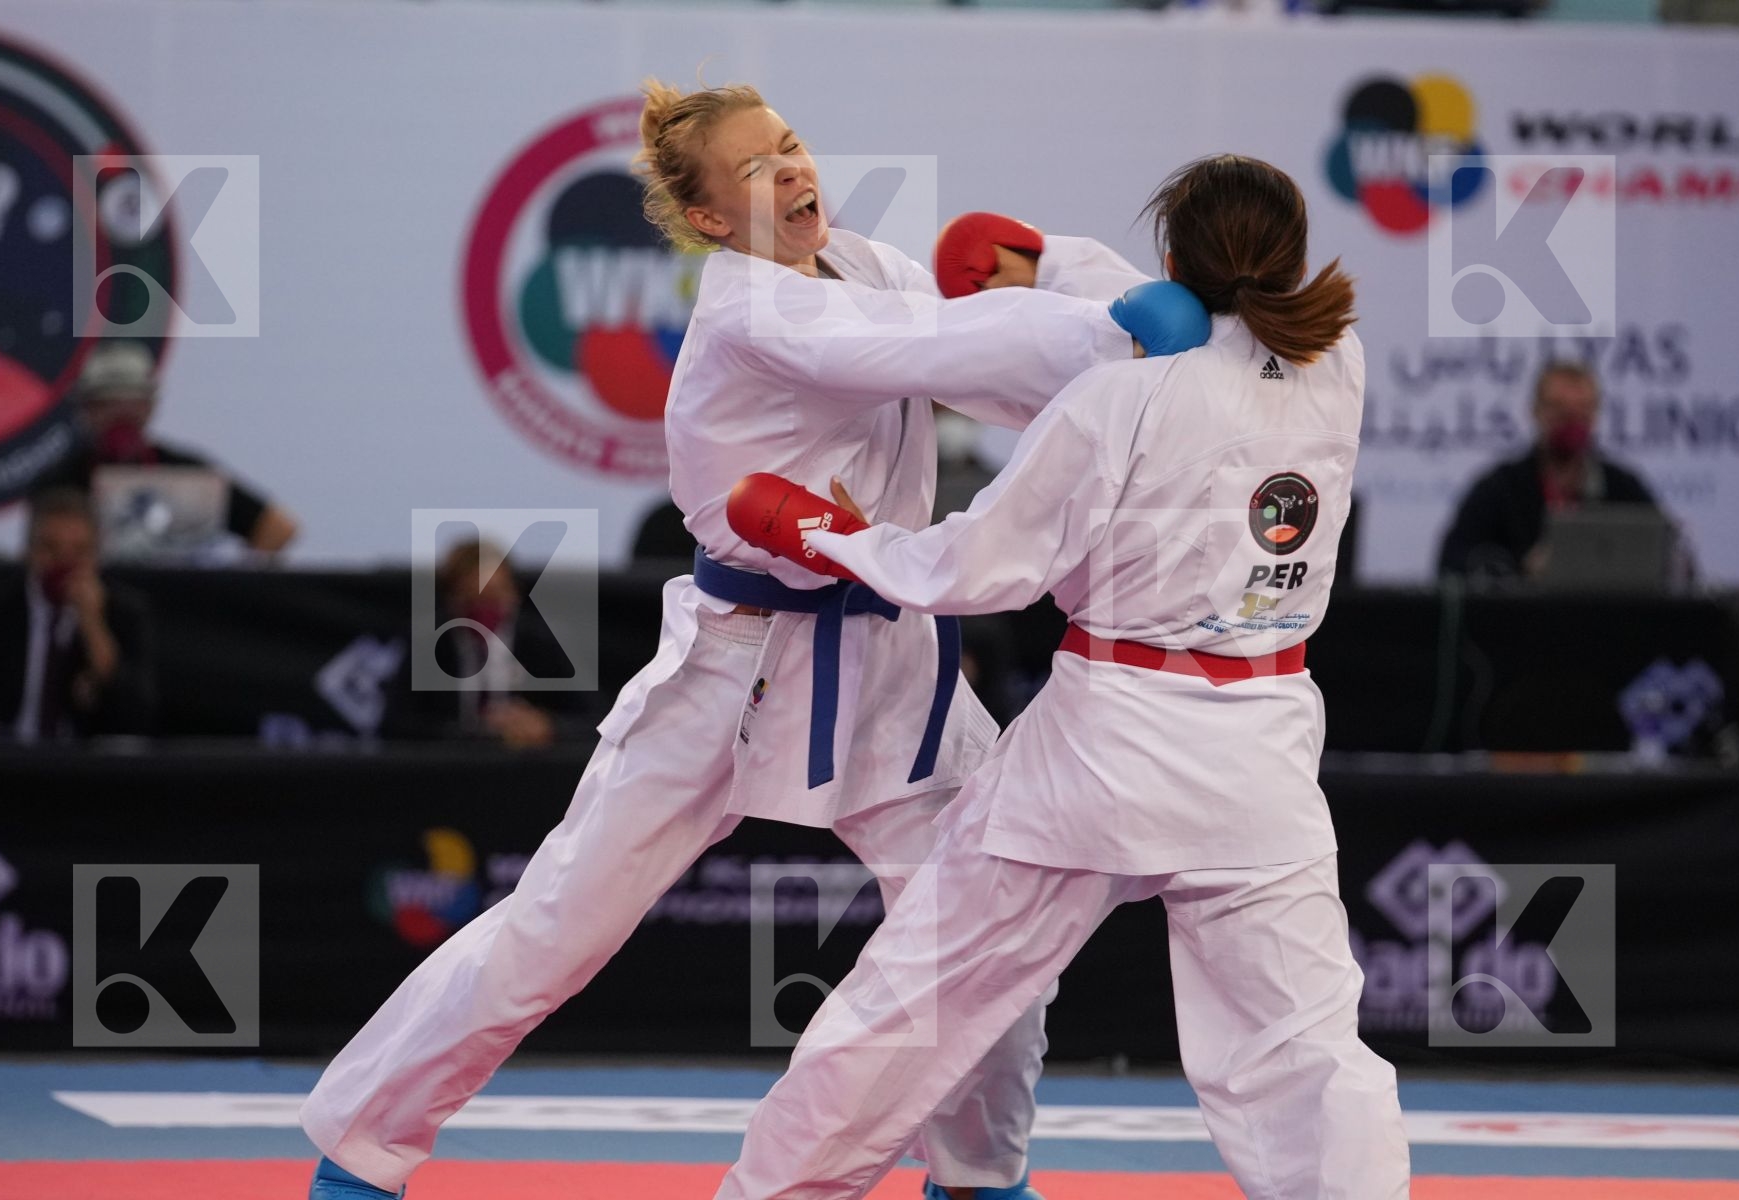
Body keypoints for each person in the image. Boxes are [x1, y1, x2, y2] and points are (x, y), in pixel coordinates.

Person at [299, 80, 1208, 1200]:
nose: (791, 171)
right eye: (756, 169)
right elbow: (940, 347)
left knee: (986, 933)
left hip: (890, 666)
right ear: (715, 220)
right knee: (555, 930)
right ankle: (361, 1154)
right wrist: (1105, 328)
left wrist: (1065, 279)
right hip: (734, 668)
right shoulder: (750, 315)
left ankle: (980, 1177)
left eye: (790, 147)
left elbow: (986, 343)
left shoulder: (864, 269)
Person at [718, 154, 1410, 1200]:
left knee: (915, 1002)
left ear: (1175, 263)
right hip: (1261, 756)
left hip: (1103, 751)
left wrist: (833, 536)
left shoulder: (1114, 400)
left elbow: (972, 570)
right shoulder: (1341, 366)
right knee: (1307, 1055)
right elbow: (1197, 316)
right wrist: (1050, 268)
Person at [34, 341, 300, 557]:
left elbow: (278, 529)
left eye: (131, 403)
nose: (121, 415)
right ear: (84, 411)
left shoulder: (189, 474)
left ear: (150, 406)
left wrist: (229, 590)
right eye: (106, 403)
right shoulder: (61, 483)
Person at [0, 487, 155, 742]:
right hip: (2, 763)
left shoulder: (123, 612)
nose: (64, 564)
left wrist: (92, 623)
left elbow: (137, 718)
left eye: (79, 552)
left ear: (97, 556)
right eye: (50, 548)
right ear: (28, 550)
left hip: (87, 770)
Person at [1437, 359, 1660, 580]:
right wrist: (1520, 568)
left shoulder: (1623, 488)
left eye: (1582, 410)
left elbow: (1667, 556)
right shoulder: (1499, 489)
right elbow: (1453, 564)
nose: (1571, 422)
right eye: (1560, 410)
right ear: (1535, 411)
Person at [381, 537, 591, 747]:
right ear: (451, 598)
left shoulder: (542, 642)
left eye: (496, 596)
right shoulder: (427, 644)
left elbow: (594, 720)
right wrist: (472, 734)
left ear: (514, 594)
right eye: (474, 599)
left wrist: (547, 726)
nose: (486, 611)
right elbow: (394, 724)